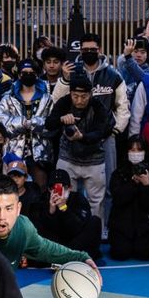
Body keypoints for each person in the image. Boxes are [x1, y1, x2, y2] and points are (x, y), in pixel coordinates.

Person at [50, 68, 113, 222]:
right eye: (75, 96)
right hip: (67, 158)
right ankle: (67, 233)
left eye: (83, 96)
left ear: (90, 94)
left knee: (96, 203)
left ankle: (96, 235)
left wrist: (82, 136)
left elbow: (100, 132)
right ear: (70, 93)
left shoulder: (98, 106)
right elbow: (48, 124)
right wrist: (61, 120)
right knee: (64, 198)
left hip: (94, 159)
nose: (79, 100)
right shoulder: (64, 102)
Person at [107, 138, 149, 260]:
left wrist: (147, 185)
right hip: (122, 224)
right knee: (120, 254)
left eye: (139, 150)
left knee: (144, 254)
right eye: (132, 149)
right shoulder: (118, 173)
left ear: (145, 152)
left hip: (144, 225)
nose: (135, 153)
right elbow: (118, 200)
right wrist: (132, 184)